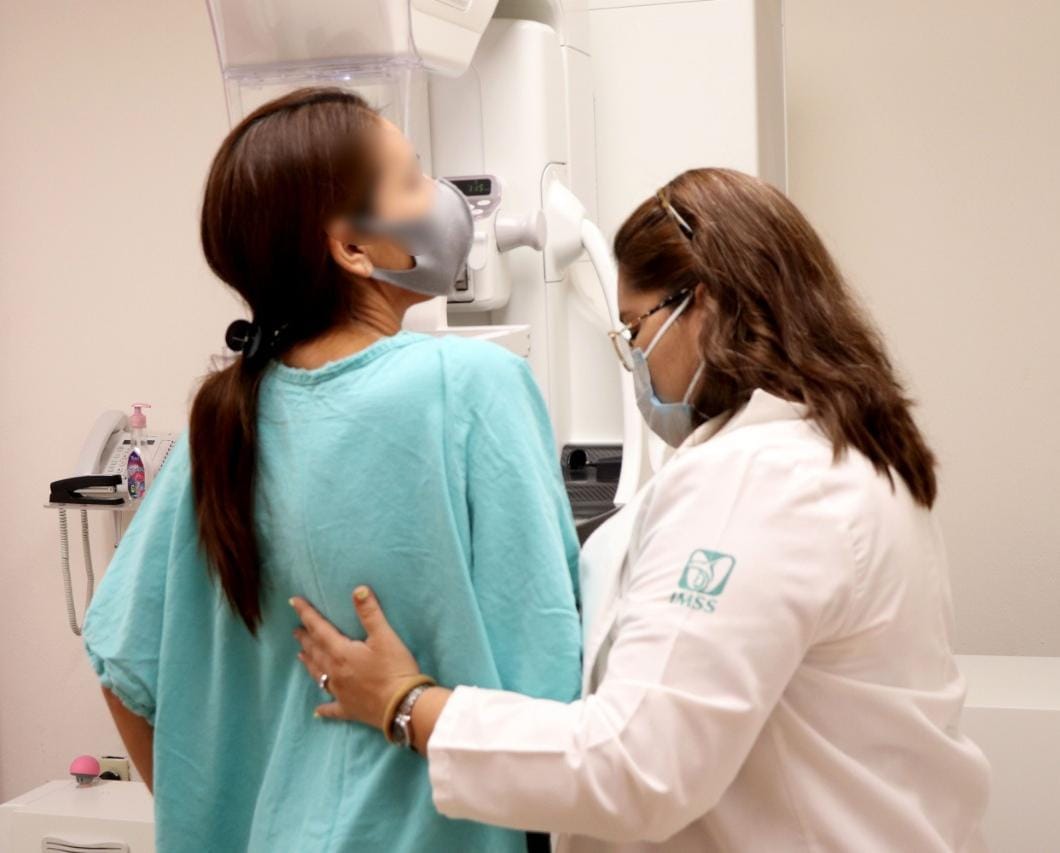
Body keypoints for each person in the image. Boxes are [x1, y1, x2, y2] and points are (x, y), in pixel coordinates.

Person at [291, 168, 992, 852]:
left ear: (702, 305)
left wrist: (406, 704)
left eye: (636, 327)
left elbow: (638, 766)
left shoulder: (760, 483)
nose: (636, 359)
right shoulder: (839, 452)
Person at [82, 87, 581, 853]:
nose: (440, 198)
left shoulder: (223, 420)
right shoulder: (472, 386)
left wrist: (219, 822)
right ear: (350, 248)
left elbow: (122, 670)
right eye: (411, 179)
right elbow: (551, 690)